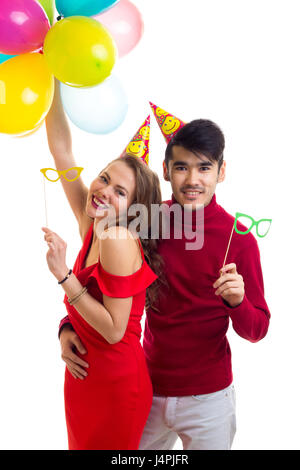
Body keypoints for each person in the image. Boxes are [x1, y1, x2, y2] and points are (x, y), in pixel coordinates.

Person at [58, 117, 271, 450]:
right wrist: (68, 325)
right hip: (148, 387)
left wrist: (237, 302)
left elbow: (257, 329)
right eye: (181, 167)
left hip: (208, 401)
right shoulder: (147, 222)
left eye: (204, 168)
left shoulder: (238, 239)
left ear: (222, 171)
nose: (192, 179)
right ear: (166, 169)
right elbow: (113, 283)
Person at [42, 80, 163, 450]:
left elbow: (113, 331)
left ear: (134, 210)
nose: (104, 191)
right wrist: (51, 81)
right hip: (84, 378)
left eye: (120, 192)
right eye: (105, 178)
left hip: (116, 388)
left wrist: (63, 275)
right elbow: (62, 151)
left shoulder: (117, 240)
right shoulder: (92, 222)